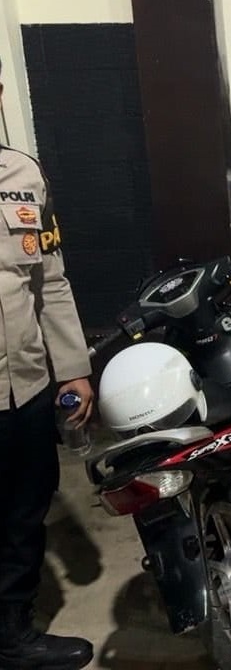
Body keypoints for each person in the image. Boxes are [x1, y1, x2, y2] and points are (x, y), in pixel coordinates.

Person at [0, 57, 95, 669]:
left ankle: (12, 634)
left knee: (24, 512)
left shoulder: (23, 175)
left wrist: (73, 367)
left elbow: (49, 281)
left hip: (27, 386)